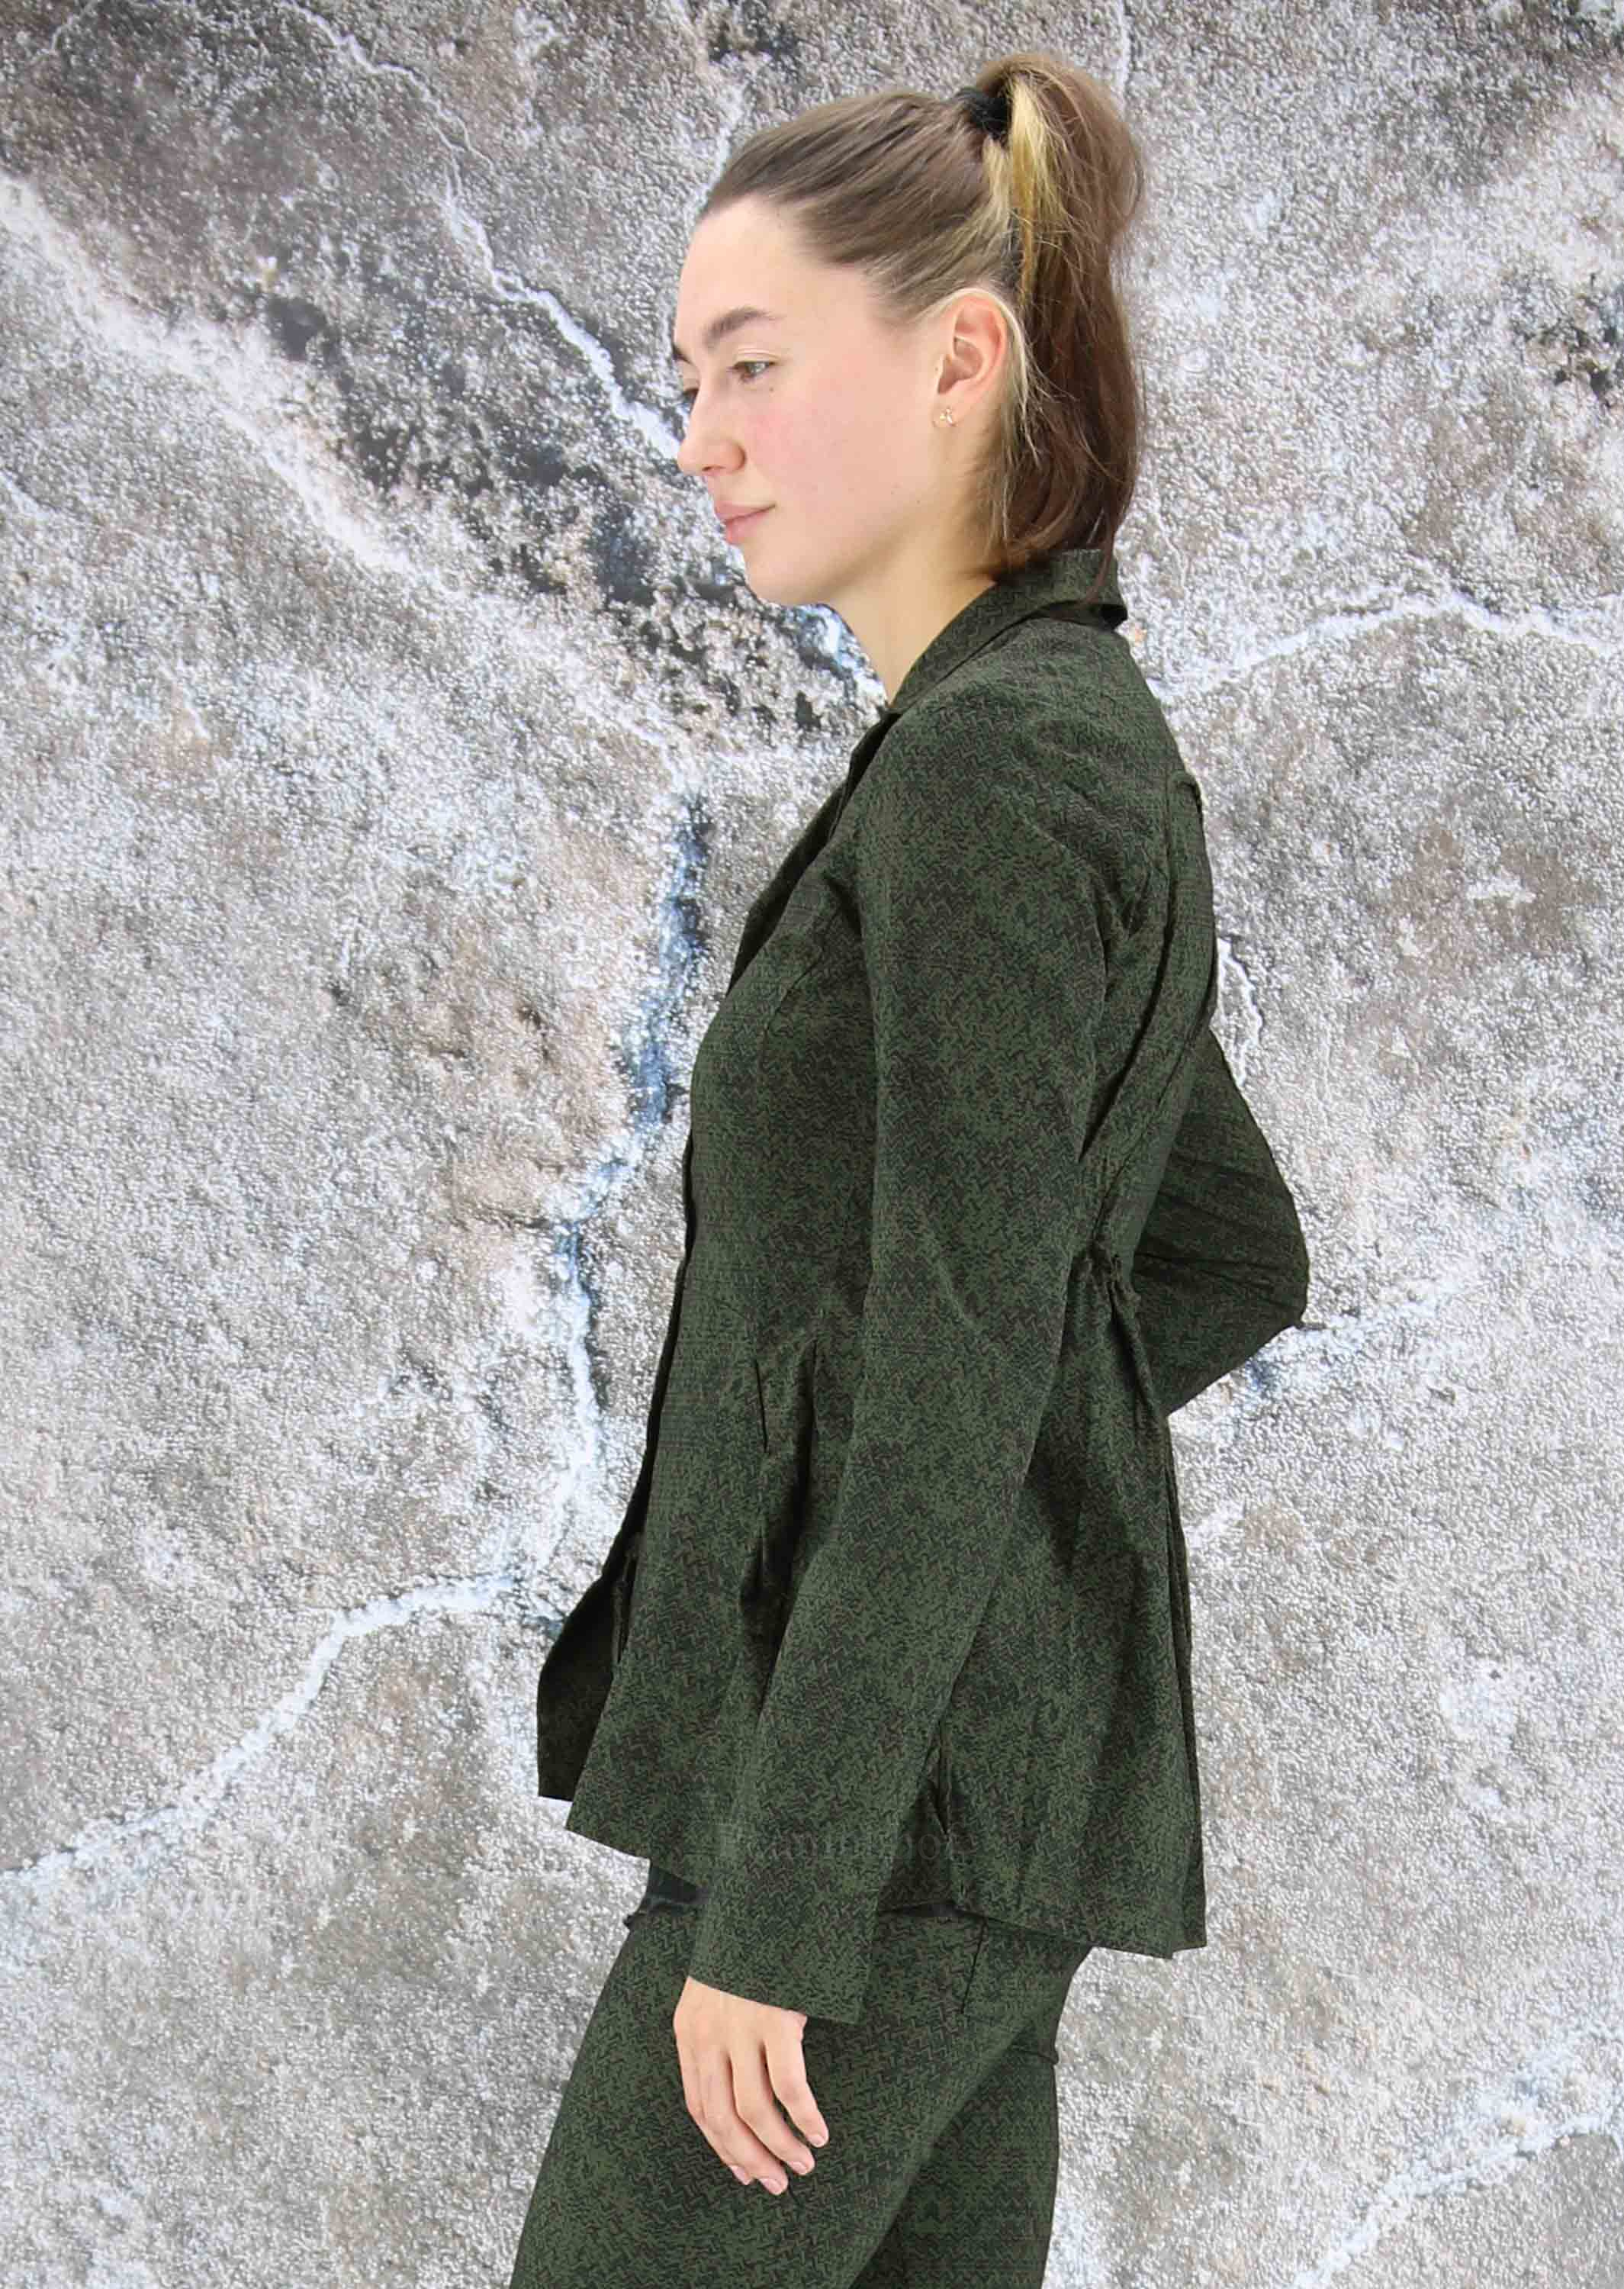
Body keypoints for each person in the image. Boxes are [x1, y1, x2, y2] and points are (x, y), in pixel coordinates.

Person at [510, 50, 1311, 2289]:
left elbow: (966, 1366)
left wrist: (783, 1909)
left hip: (871, 1845)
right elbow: (1222, 1245)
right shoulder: (1037, 739)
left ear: (961, 360)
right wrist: (988, 1486)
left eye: (751, 365)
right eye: (691, 378)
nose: (699, 435)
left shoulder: (994, 774)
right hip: (963, 1816)